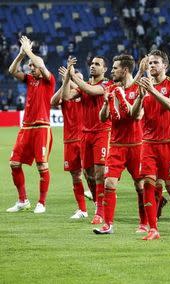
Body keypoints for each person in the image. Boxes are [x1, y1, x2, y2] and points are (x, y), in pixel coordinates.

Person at [131, 49, 170, 240]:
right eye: (150, 63)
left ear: (165, 65)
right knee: (148, 183)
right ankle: (153, 228)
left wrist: (151, 91)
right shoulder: (144, 87)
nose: (152, 65)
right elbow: (134, 114)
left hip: (169, 142)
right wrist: (139, 96)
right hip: (148, 143)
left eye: (156, 62)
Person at [93, 54, 150, 234]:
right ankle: (108, 225)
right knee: (109, 182)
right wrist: (105, 103)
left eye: (115, 68)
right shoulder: (110, 88)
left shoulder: (139, 88)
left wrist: (122, 97)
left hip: (136, 146)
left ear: (124, 70)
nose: (112, 71)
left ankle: (144, 223)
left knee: (140, 186)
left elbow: (137, 116)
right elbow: (102, 118)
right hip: (116, 146)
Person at [7, 36, 55, 213]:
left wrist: (29, 50)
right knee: (14, 163)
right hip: (25, 127)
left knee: (42, 166)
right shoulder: (30, 80)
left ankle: (41, 202)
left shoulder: (49, 80)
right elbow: (12, 70)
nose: (30, 67)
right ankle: (23, 200)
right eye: (30, 65)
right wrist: (21, 54)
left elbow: (40, 64)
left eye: (32, 65)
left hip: (42, 127)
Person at [62, 55, 112, 224]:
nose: (93, 66)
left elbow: (91, 91)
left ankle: (100, 210)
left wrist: (73, 75)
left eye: (97, 64)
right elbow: (66, 96)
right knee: (87, 173)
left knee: (99, 174)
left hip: (101, 132)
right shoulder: (83, 87)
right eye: (91, 63)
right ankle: (100, 202)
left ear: (104, 69)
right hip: (85, 134)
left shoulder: (106, 84)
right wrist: (67, 78)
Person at [50, 59, 88, 219]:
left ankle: (100, 205)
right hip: (70, 141)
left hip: (86, 138)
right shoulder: (66, 96)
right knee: (76, 175)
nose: (74, 81)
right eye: (73, 78)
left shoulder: (87, 93)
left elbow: (81, 87)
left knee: (91, 174)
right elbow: (52, 101)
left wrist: (72, 78)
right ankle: (83, 210)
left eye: (77, 78)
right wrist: (66, 80)